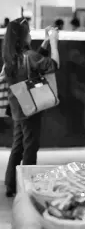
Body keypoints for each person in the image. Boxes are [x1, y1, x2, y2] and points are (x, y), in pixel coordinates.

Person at [2, 18, 59, 197]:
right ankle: (27, 187)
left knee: (18, 146)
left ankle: (11, 186)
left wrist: (44, 43)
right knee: (30, 146)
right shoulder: (29, 57)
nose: (30, 35)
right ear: (22, 37)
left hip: (18, 108)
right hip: (31, 107)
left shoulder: (10, 57)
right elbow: (53, 65)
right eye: (28, 33)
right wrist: (54, 44)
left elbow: (32, 60)